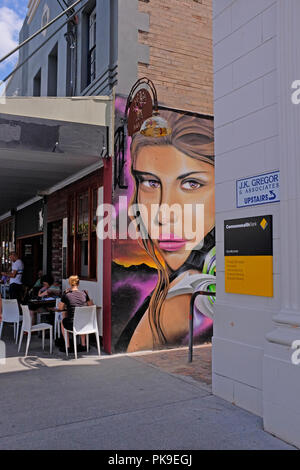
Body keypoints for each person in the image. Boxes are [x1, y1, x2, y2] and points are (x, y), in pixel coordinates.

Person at [115, 111, 216, 353]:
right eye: (150, 182)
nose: (163, 214)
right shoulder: (173, 286)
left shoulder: (189, 291)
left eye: (192, 184)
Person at [57, 275, 93, 353]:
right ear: (78, 283)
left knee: (63, 320)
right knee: (81, 320)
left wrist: (64, 295)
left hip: (72, 324)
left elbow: (60, 308)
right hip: (84, 324)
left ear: (70, 283)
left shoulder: (66, 294)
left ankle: (68, 346)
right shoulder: (84, 293)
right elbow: (91, 305)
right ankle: (83, 345)